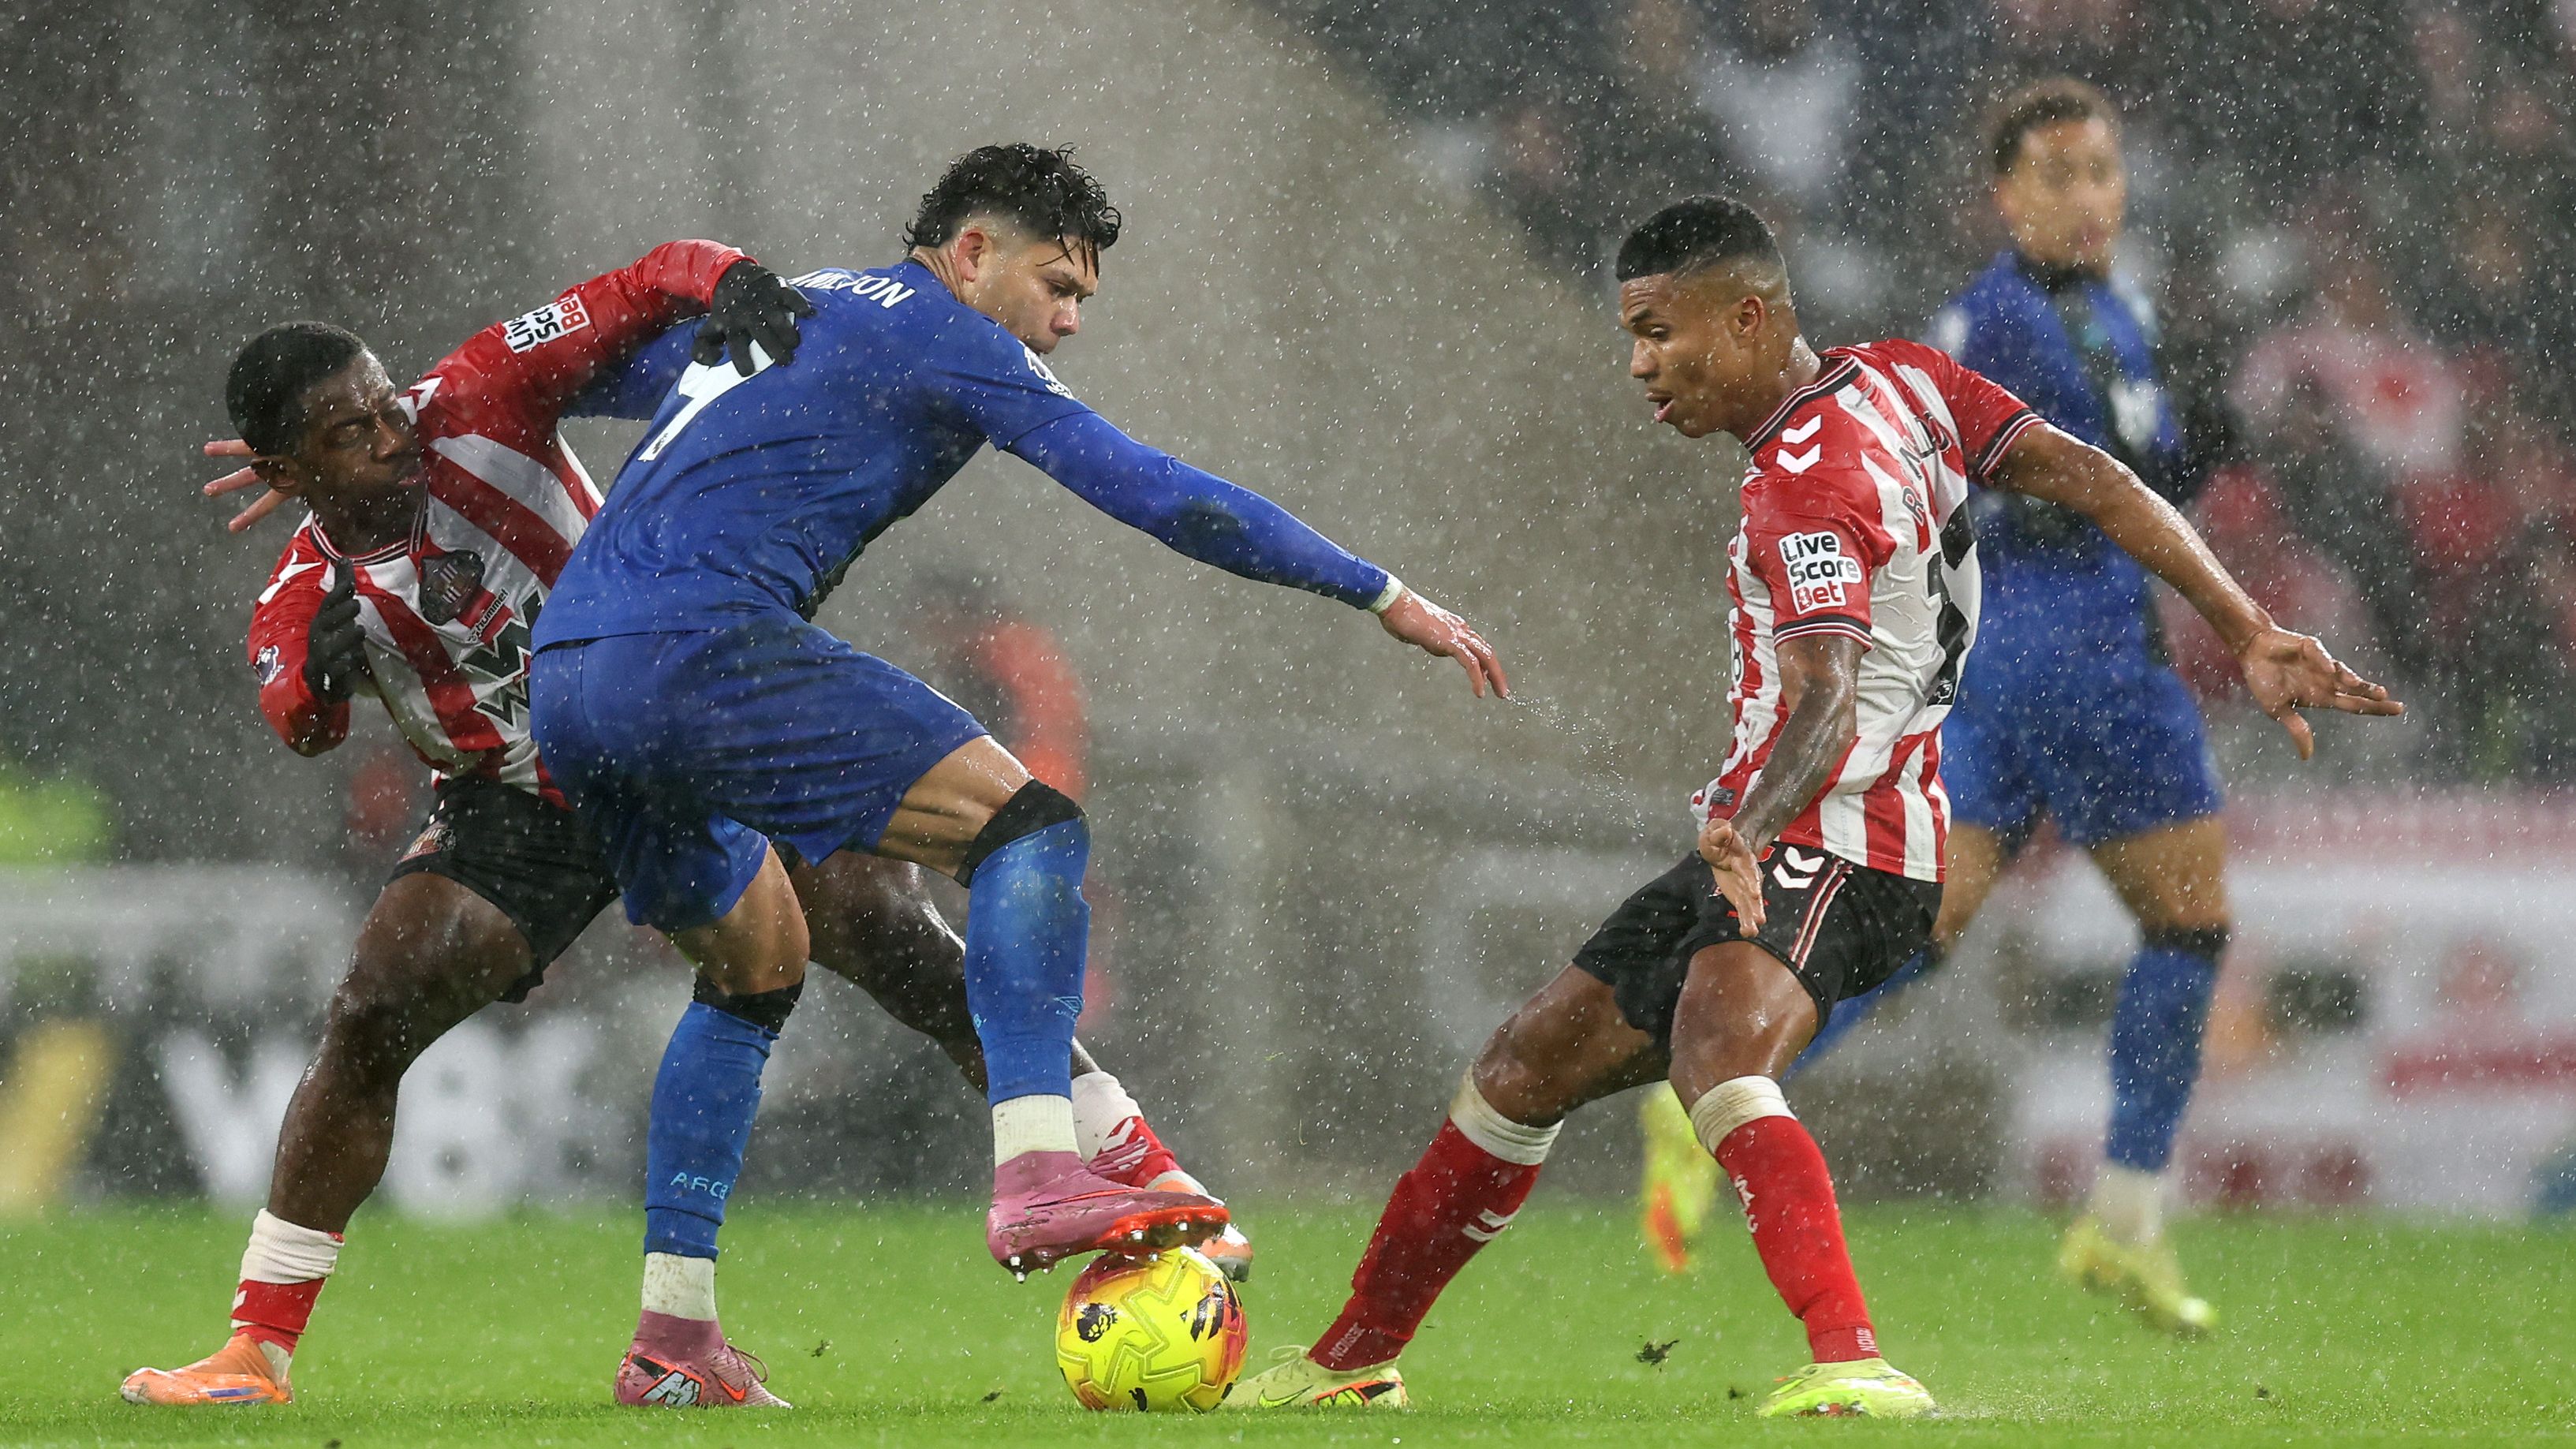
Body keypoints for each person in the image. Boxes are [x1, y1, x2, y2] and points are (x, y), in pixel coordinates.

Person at [1231, 196, 2396, 1418]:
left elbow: (1827, 694)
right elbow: (2095, 478)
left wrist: (1744, 824)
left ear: (1743, 319)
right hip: (1816, 830)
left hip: (1830, 836)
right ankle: (1349, 1363)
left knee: (1716, 1052)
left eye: (1654, 332)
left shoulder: (1803, 478)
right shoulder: (1903, 380)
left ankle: (1852, 1359)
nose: (1637, 365)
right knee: (1524, 1063)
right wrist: (2245, 623)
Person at [121, 241, 1238, 1414]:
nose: (391, 437)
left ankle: (1135, 1162)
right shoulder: (301, 593)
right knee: (369, 1011)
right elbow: (291, 712)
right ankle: (257, 1348)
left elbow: (634, 284)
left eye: (384, 406)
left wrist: (727, 282)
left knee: (894, 937)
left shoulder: (477, 398)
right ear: (284, 469)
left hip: (667, 717)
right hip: (520, 803)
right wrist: (322, 679)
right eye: (347, 435)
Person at [524, 144, 1505, 1286]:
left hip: (570, 675)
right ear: (973, 251)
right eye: (1059, 284)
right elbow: (1157, 491)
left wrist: (416, 422)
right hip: (698, 646)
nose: (1070, 319)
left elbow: (559, 379)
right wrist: (1375, 590)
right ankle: (1038, 1170)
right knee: (1029, 828)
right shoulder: (953, 335)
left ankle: (673, 1330)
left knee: (750, 970)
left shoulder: (801, 306)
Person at [1772, 79, 2247, 1334]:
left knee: (1924, 923)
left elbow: (2136, 460)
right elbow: (2111, 487)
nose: (2088, 198)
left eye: (2102, 171)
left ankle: (1724, 1078)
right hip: (2080, 641)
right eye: (2058, 175)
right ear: (2004, 194)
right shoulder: (2014, 318)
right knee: (2189, 922)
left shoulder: (2087, 310)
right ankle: (2125, 1214)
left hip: (1992, 648)